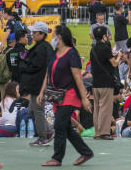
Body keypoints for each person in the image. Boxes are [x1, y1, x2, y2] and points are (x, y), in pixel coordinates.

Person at [40, 24, 93, 167]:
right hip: (56, 95)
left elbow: (77, 77)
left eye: (53, 36)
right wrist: (41, 92)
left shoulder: (72, 54)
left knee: (59, 125)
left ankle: (57, 158)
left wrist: (83, 98)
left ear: (60, 37)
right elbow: (47, 74)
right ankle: (86, 152)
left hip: (70, 95)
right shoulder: (54, 53)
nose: (51, 38)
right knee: (66, 127)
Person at [23, 21, 55, 147]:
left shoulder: (42, 48)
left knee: (37, 110)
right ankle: (48, 130)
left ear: (41, 34)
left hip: (40, 85)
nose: (32, 35)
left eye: (34, 32)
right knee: (32, 109)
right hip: (36, 85)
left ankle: (43, 137)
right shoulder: (43, 47)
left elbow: (41, 68)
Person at [89, 24, 118, 140]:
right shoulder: (105, 47)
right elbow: (114, 64)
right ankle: (104, 132)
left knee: (97, 108)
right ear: (104, 36)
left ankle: (97, 132)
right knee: (105, 108)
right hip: (106, 82)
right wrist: (119, 56)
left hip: (95, 82)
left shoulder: (93, 49)